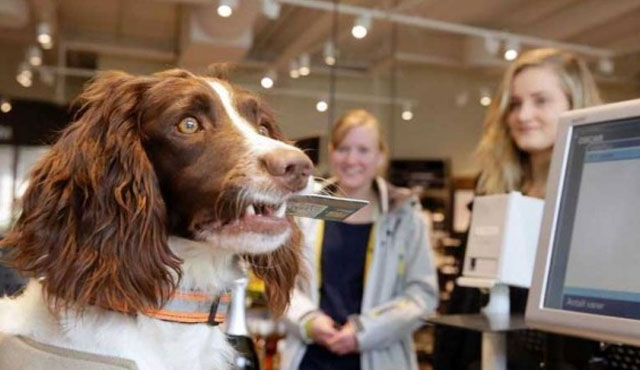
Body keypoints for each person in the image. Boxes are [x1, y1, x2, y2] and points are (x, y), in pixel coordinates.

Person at [433, 48, 602, 369]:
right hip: (486, 353)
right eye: (514, 104)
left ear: (574, 103)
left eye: (540, 100)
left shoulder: (593, 193)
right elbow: (466, 291)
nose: (523, 115)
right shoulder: (492, 186)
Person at [280, 109, 439, 370]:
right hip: (310, 358)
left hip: (381, 359)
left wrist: (365, 331)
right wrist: (308, 320)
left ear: (380, 156)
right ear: (331, 152)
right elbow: (281, 284)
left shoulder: (405, 215)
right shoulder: (305, 208)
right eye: (343, 148)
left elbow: (422, 295)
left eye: (363, 150)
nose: (352, 159)